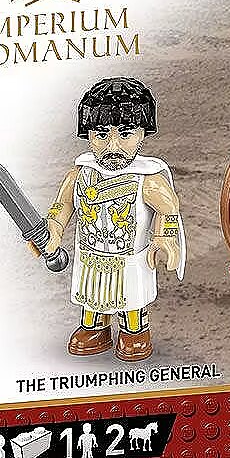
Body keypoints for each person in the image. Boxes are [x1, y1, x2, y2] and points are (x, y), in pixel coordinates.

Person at [45, 78, 185, 362]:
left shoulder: (148, 180)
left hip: (129, 256)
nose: (113, 145)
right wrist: (54, 228)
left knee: (130, 295)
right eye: (101, 134)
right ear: (88, 135)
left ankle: (135, 332)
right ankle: (94, 330)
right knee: (91, 293)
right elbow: (62, 205)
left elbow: (168, 208)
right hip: (90, 254)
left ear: (142, 133)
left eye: (125, 134)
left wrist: (164, 238)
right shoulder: (79, 175)